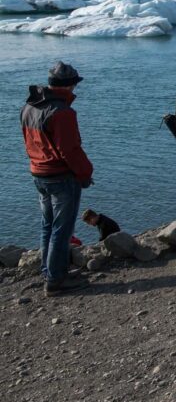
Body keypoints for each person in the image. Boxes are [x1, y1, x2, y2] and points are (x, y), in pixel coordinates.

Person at [21, 61, 93, 296]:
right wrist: (85, 173)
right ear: (69, 85)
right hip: (61, 176)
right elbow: (69, 150)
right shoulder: (63, 113)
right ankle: (55, 280)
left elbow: (29, 142)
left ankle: (49, 270)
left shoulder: (30, 107)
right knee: (62, 229)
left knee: (48, 225)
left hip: (38, 173)